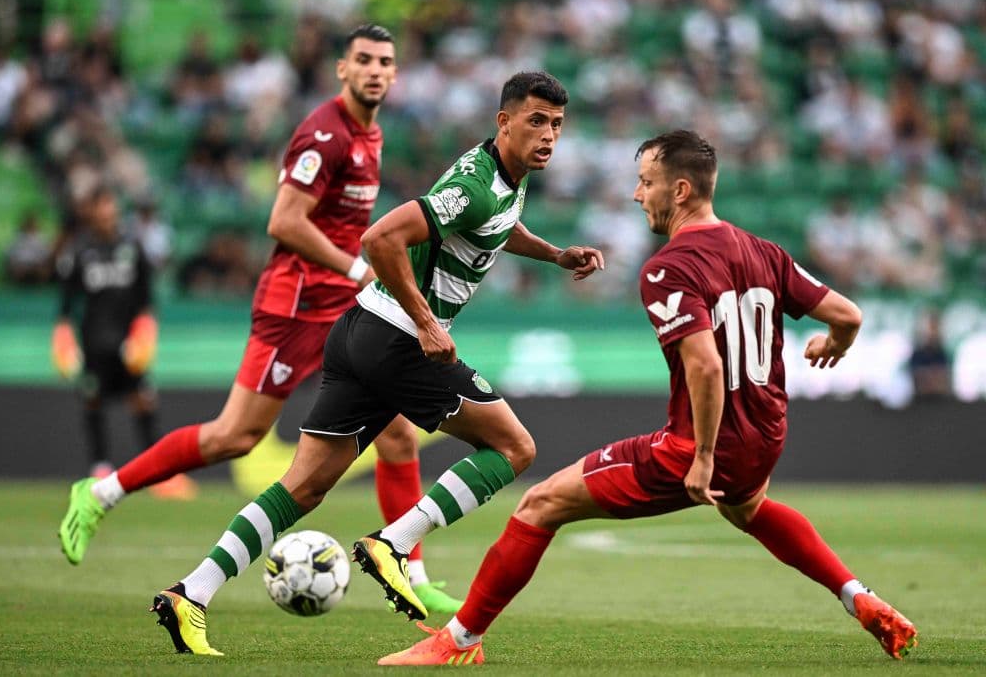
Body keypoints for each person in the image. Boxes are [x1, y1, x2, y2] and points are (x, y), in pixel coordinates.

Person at [378, 130, 918, 666]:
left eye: (646, 182)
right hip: (766, 437)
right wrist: (834, 344)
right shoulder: (765, 252)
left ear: (680, 191)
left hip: (699, 446)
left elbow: (704, 363)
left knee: (540, 505)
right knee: (747, 508)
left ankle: (458, 641)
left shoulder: (669, 267)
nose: (638, 195)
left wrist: (703, 455)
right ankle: (858, 595)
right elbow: (848, 314)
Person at [148, 70, 604, 656]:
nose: (548, 135)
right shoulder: (477, 183)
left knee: (304, 487)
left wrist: (554, 254)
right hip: (398, 339)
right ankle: (394, 543)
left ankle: (192, 592)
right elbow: (380, 240)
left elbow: (495, 226)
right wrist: (426, 321)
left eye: (557, 126)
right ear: (504, 121)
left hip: (359, 331)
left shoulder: (504, 180)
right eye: (537, 121)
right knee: (515, 448)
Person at [59, 25, 462, 614]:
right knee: (235, 436)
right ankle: (101, 492)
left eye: (386, 62)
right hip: (295, 306)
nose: (376, 70)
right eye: (364, 61)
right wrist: (355, 268)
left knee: (399, 431)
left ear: (395, 75)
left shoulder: (370, 134)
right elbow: (284, 221)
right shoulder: (323, 134)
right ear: (342, 70)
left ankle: (411, 569)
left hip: (344, 306)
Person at [52, 187, 160, 480]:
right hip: (93, 345)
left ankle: (158, 471)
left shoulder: (133, 248)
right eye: (101, 208)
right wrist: (63, 339)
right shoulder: (78, 251)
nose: (107, 214)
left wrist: (145, 335)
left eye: (111, 207)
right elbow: (65, 307)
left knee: (143, 400)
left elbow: (146, 303)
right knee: (93, 400)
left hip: (128, 346)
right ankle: (100, 465)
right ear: (92, 212)